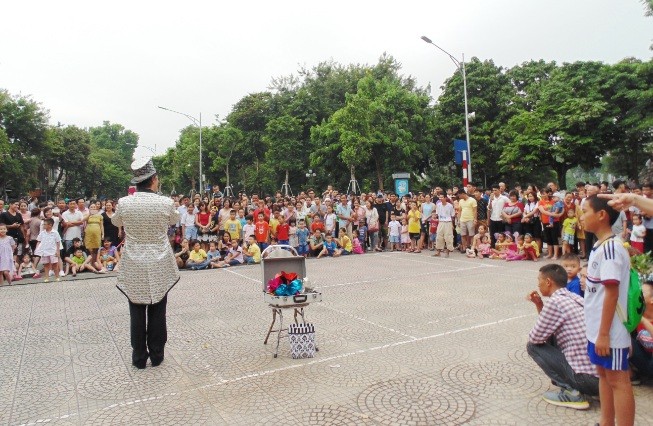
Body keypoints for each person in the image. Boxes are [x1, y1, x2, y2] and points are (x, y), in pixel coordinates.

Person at [111, 158, 180, 370]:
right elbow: (174, 220)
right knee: (159, 309)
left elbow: (116, 221)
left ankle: (139, 356)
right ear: (153, 180)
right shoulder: (165, 202)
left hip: (134, 263)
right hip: (159, 262)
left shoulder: (124, 202)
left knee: (136, 310)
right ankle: (157, 354)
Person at [580, 194, 635, 425]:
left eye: (585, 211)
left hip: (609, 331)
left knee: (618, 380)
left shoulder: (610, 249)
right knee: (603, 374)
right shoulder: (598, 246)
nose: (581, 217)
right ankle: (606, 421)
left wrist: (604, 334)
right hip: (598, 328)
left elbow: (612, 293)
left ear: (601, 215)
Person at [526, 263, 599, 409]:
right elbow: (548, 329)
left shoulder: (555, 302)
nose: (538, 285)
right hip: (602, 379)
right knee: (550, 336)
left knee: (532, 346)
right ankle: (576, 387)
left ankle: (572, 392)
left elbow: (535, 338)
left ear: (548, 282)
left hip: (587, 380)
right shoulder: (572, 297)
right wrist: (539, 305)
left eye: (539, 281)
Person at [630, 283, 653, 381]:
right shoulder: (636, 315)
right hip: (644, 363)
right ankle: (630, 373)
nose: (637, 294)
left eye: (642, 292)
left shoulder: (640, 318)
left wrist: (643, 320)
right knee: (623, 338)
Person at [34, 217, 62, 282]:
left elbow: (58, 242)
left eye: (45, 224)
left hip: (53, 251)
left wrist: (58, 251)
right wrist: (37, 249)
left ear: (50, 225)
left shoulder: (55, 232)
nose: (43, 225)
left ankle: (57, 276)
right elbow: (39, 241)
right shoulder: (42, 233)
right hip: (44, 251)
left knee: (55, 264)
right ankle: (46, 277)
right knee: (46, 264)